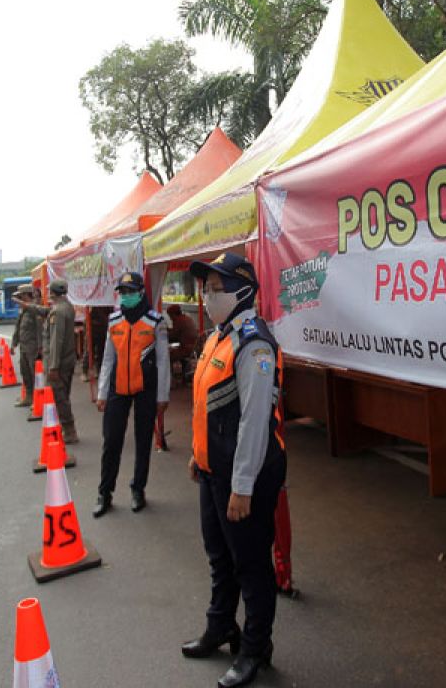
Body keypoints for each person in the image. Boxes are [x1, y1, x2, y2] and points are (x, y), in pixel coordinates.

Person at [182, 252, 286, 688]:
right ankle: (221, 625)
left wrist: (241, 486)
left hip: (247, 476)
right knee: (219, 558)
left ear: (242, 291)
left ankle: (256, 649)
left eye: (215, 288)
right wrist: (197, 454)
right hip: (213, 471)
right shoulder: (216, 338)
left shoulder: (254, 343)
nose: (206, 296)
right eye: (205, 289)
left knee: (251, 565)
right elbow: (209, 406)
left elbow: (254, 421)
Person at [93, 271, 170, 516]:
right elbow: (107, 359)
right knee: (111, 441)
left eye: (130, 291)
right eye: (122, 292)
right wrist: (102, 392)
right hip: (118, 388)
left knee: (143, 440)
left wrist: (162, 395)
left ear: (140, 292)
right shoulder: (114, 321)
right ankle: (105, 493)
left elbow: (163, 360)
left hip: (146, 389)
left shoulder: (155, 321)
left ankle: (138, 489)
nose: (125, 296)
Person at [43, 279, 79, 444]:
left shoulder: (58, 311)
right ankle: (67, 429)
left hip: (60, 362)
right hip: (68, 359)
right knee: (63, 394)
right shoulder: (67, 307)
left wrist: (53, 366)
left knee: (60, 396)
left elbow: (56, 341)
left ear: (52, 292)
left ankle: (69, 430)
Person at [10, 284, 42, 414]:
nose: (19, 299)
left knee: (35, 375)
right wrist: (14, 343)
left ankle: (37, 400)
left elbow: (40, 329)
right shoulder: (23, 310)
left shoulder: (35, 309)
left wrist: (40, 347)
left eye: (21, 296)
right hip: (24, 347)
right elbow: (18, 328)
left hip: (33, 347)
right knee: (25, 373)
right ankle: (28, 397)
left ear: (27, 295)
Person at [167, 304, 200, 373]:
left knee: (166, 356)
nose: (170, 318)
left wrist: (164, 331)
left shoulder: (178, 321)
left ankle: (171, 377)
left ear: (173, 314)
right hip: (194, 347)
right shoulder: (186, 318)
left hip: (187, 349)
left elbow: (172, 335)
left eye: (170, 316)